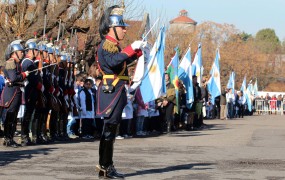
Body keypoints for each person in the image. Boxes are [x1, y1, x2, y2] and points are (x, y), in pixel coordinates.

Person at [95, 5, 144, 179]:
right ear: (112, 28)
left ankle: (105, 166)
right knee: (109, 130)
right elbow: (113, 62)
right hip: (111, 91)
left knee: (111, 130)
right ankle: (105, 166)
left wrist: (137, 53)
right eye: (122, 27)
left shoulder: (114, 46)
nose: (124, 30)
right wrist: (131, 48)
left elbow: (121, 63)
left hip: (116, 91)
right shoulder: (107, 45)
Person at [0, 40, 28, 147]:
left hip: (16, 91)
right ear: (14, 53)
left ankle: (10, 137)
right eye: (20, 51)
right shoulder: (10, 62)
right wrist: (24, 75)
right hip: (11, 92)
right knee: (10, 116)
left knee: (14, 116)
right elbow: (13, 78)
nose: (22, 53)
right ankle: (8, 138)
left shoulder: (17, 64)